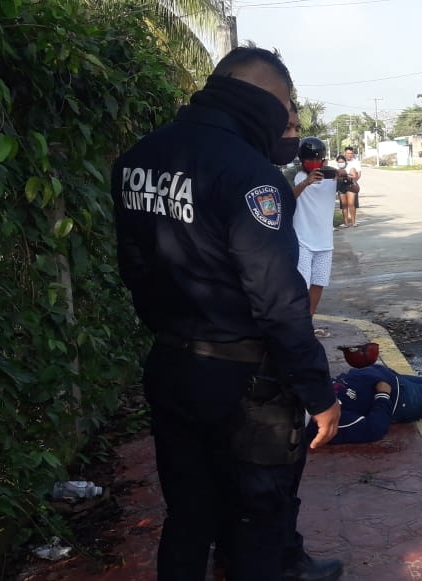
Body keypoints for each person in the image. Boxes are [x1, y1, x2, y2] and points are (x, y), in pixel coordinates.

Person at [111, 47, 342, 581]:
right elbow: (280, 304)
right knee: (258, 519)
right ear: (262, 99)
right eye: (284, 108)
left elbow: (135, 270)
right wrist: (317, 392)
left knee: (188, 515)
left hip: (171, 366)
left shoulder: (138, 159)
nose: (287, 125)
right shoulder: (250, 175)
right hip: (244, 385)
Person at [293, 137, 337, 320]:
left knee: (319, 283)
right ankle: (297, 320)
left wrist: (344, 177)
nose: (312, 166)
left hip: (325, 243)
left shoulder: (332, 178)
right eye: (308, 162)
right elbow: (288, 197)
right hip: (302, 240)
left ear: (324, 161)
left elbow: (355, 189)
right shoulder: (296, 177)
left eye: (316, 162)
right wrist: (306, 182)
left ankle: (308, 320)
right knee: (300, 285)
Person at [340, 146, 362, 227]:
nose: (349, 155)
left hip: (351, 184)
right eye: (348, 153)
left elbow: (359, 174)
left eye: (351, 153)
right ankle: (345, 223)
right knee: (344, 204)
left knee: (351, 203)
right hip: (342, 184)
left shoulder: (355, 162)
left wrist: (354, 181)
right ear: (345, 153)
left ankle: (353, 222)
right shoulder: (341, 161)